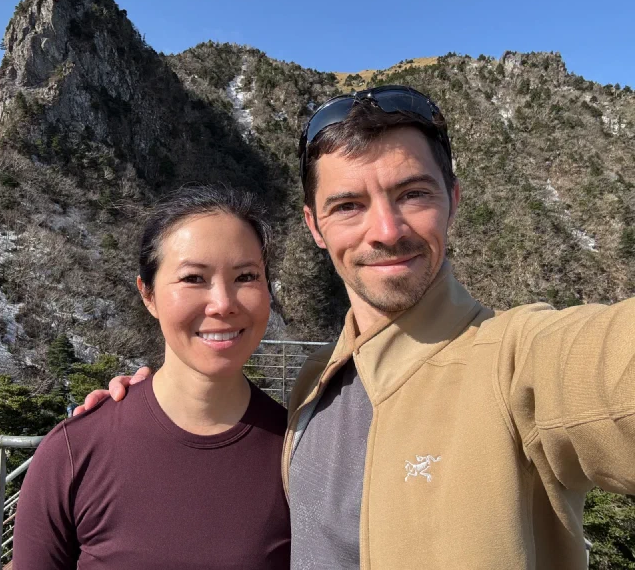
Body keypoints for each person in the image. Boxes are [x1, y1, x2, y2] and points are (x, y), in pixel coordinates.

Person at [76, 85, 635, 569]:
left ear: (453, 201)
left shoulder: (514, 363)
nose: (387, 230)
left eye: (413, 194)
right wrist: (143, 414)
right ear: (314, 226)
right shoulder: (310, 392)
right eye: (348, 205)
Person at [13, 186, 291, 569]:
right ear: (148, 294)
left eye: (246, 276)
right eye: (194, 278)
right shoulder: (74, 453)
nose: (224, 303)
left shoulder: (300, 453)